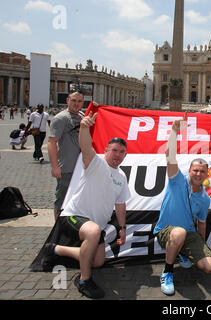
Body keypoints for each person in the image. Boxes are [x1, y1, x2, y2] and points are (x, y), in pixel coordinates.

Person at [40, 112, 130, 299]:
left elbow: (120, 204)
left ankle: (55, 249)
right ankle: (84, 280)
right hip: (73, 216)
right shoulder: (95, 162)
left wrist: (122, 228)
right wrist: (84, 127)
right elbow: (85, 145)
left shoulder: (121, 177)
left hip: (95, 226)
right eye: (114, 150)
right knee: (93, 232)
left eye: (122, 152)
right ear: (106, 150)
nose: (118, 155)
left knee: (97, 261)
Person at [153, 114, 211, 296]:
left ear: (206, 175)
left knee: (209, 266)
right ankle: (167, 272)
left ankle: (182, 251)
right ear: (189, 171)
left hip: (188, 234)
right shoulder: (177, 180)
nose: (198, 173)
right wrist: (174, 131)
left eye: (202, 171)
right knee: (178, 232)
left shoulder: (205, 198)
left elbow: (201, 224)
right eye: (195, 170)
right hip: (166, 230)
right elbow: (169, 154)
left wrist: (200, 246)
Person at [48, 91, 85, 220]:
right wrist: (55, 166)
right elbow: (52, 142)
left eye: (80, 101)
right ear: (67, 100)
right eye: (74, 100)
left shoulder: (81, 116)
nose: (76, 104)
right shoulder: (61, 118)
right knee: (62, 199)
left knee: (77, 198)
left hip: (81, 168)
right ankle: (57, 229)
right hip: (67, 167)